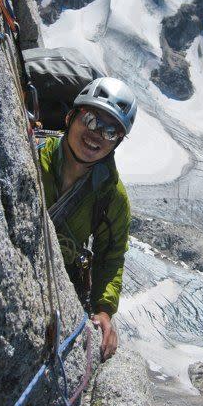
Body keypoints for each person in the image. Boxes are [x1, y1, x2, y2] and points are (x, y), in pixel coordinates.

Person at [38, 77, 137, 360]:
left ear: (117, 142)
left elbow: (111, 255)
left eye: (110, 131)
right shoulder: (30, 155)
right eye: (92, 120)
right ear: (71, 117)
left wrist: (103, 310)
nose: (97, 135)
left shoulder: (111, 196)